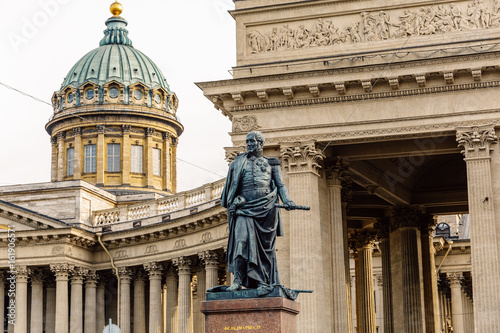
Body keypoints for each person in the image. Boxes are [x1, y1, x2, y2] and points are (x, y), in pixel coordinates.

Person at [221, 131, 296, 293]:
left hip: (266, 210)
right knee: (241, 243)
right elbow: (230, 189)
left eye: (253, 142)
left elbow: (280, 185)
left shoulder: (272, 163)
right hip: (243, 209)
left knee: (264, 249)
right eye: (247, 142)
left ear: (261, 144)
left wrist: (287, 200)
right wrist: (234, 200)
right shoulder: (237, 163)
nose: (249, 144)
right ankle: (238, 280)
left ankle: (262, 281)